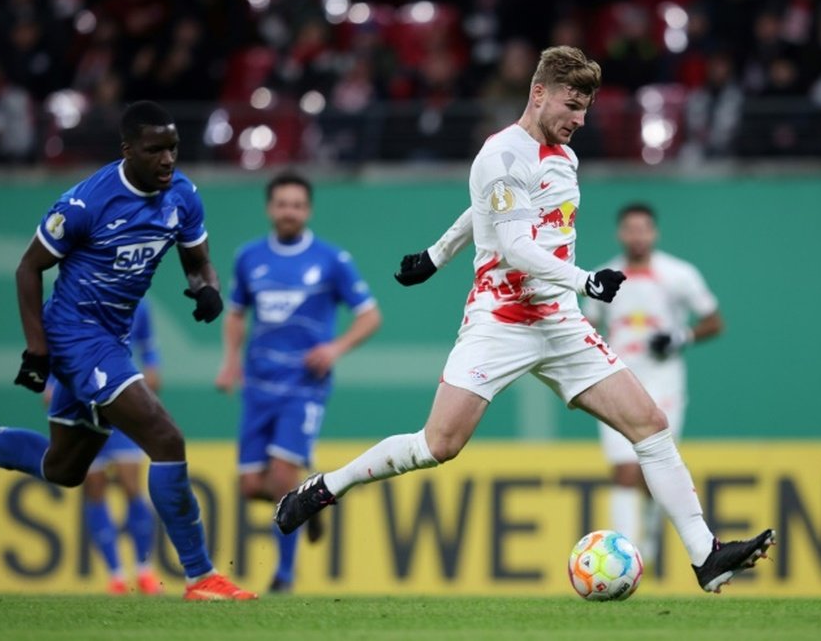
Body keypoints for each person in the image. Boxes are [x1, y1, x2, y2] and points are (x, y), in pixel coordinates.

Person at [275, 46, 774, 593]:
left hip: (559, 322)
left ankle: (707, 555)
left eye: (585, 108)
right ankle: (327, 487)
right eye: (572, 105)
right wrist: (586, 280)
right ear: (539, 94)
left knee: (649, 425)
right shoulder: (500, 156)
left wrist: (436, 254)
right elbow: (512, 243)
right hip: (501, 319)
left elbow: (483, 210)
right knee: (439, 445)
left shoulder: (563, 157)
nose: (580, 120)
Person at [0, 101, 256, 601]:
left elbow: (197, 261)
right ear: (128, 150)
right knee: (166, 439)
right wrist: (37, 350)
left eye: (173, 148)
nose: (167, 159)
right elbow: (27, 268)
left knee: (64, 469)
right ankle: (200, 577)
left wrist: (206, 288)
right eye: (155, 150)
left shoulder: (183, 197)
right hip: (77, 336)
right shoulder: (86, 203)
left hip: (113, 336)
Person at [215, 173, 382, 593]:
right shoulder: (248, 257)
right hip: (258, 384)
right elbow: (235, 313)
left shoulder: (330, 260)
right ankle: (309, 506)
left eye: (297, 204)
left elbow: (370, 316)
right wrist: (230, 363)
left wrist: (334, 349)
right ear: (270, 208)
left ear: (307, 211)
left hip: (304, 386)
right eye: (282, 204)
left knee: (283, 476)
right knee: (251, 485)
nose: (289, 211)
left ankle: (283, 577)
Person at [583, 204, 724, 567]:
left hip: (664, 383)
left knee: (652, 469)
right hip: (616, 381)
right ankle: (624, 558)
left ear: (654, 233)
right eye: (630, 229)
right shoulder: (603, 278)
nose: (637, 235)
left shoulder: (678, 274)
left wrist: (681, 336)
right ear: (620, 234)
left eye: (643, 228)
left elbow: (713, 320)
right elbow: (587, 325)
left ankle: (648, 528)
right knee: (624, 468)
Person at [55, 299, 162, 595]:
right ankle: (116, 575)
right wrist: (52, 383)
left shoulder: (136, 301)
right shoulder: (73, 300)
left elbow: (147, 343)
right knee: (95, 486)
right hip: (82, 403)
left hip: (121, 400)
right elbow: (57, 347)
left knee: (131, 483)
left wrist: (153, 367)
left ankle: (145, 571)